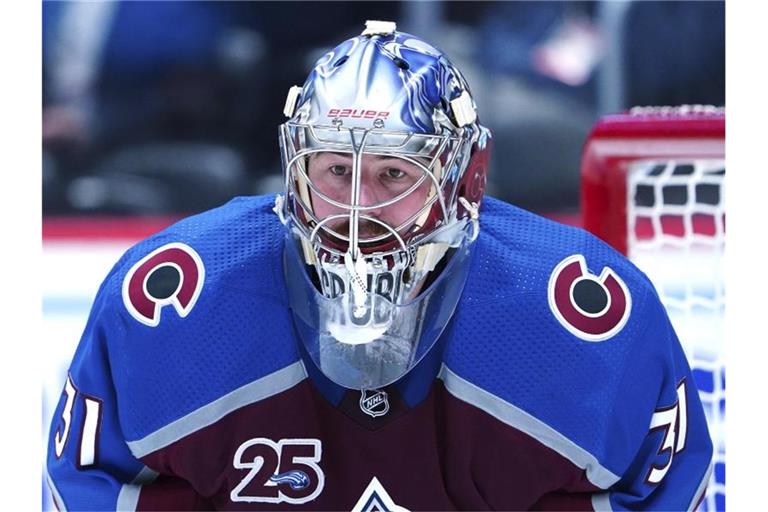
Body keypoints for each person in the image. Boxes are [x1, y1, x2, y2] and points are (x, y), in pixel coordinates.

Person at [46, 21, 712, 511]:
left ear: (466, 181)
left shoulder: (578, 313)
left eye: (395, 172)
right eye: (336, 170)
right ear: (293, 169)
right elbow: (88, 486)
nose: (358, 209)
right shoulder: (177, 296)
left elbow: (661, 490)